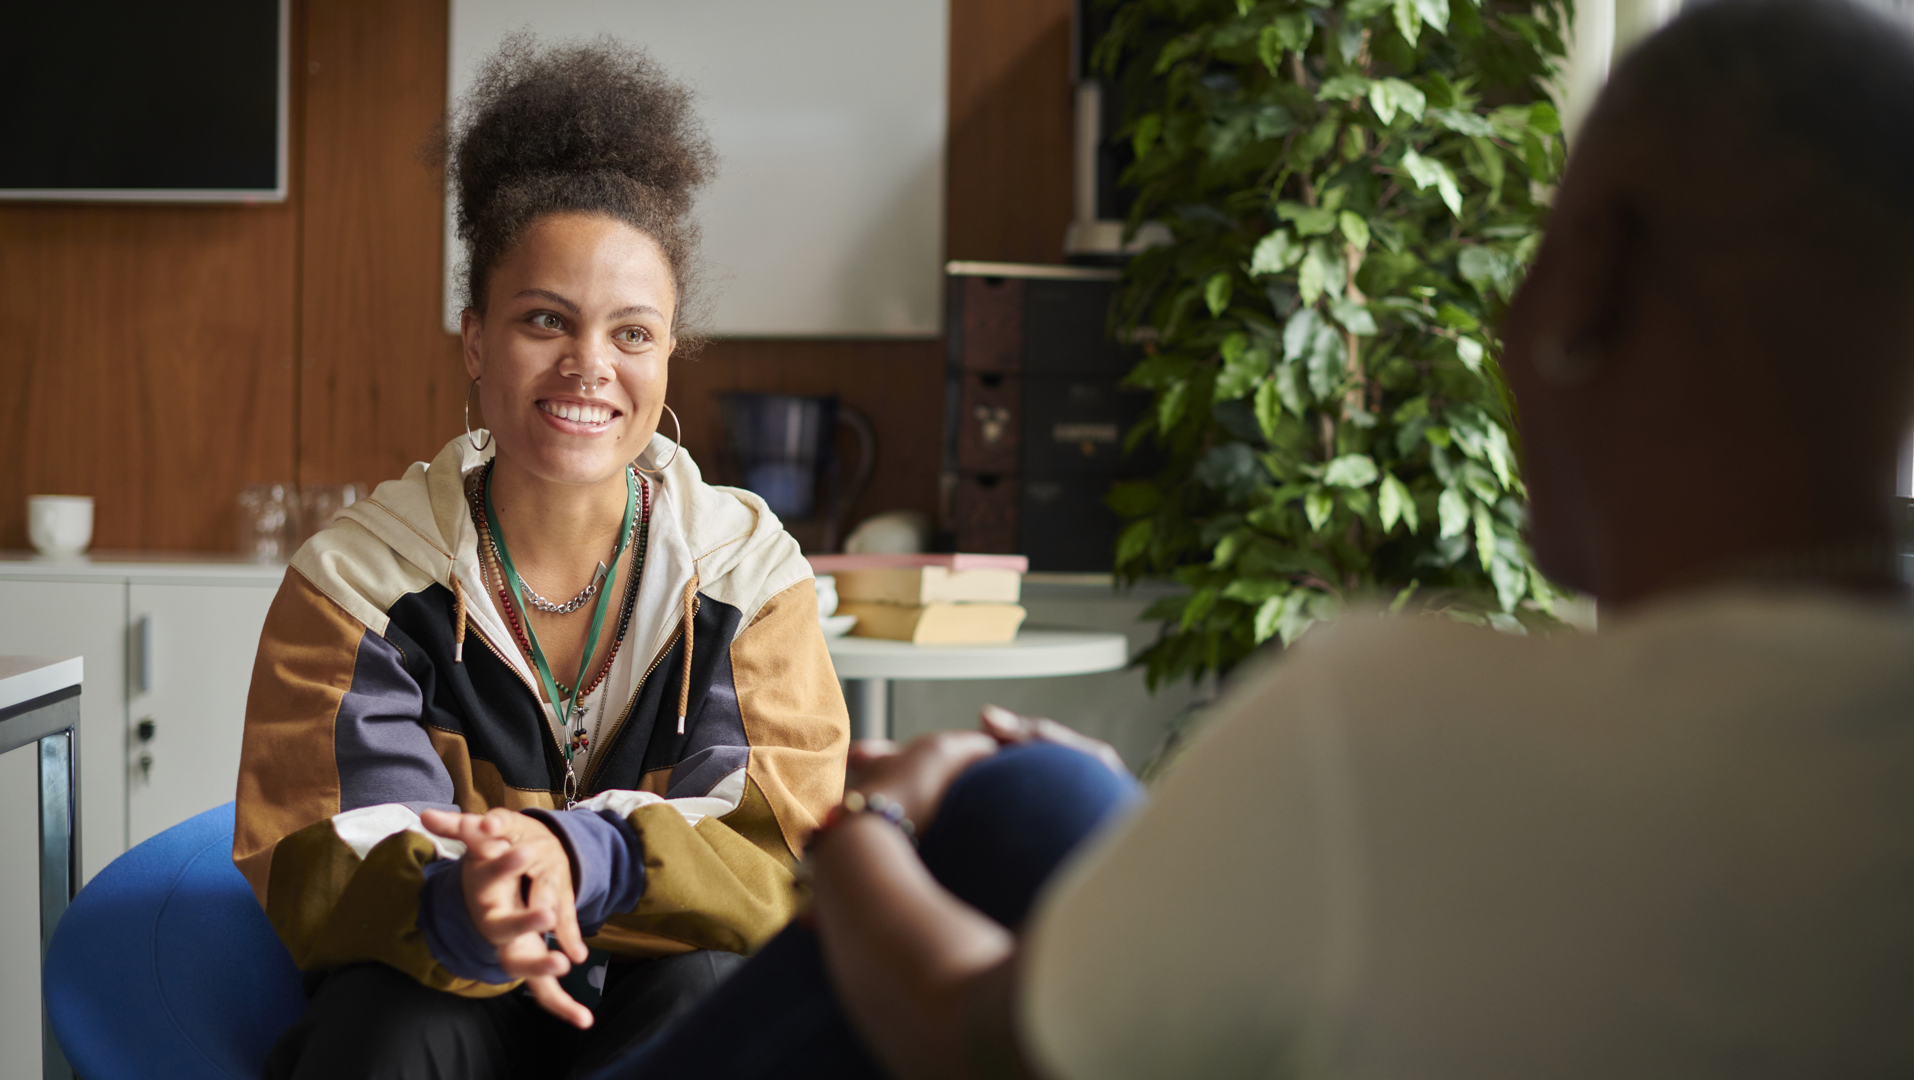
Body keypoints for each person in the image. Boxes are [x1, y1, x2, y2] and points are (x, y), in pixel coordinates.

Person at [585, 0, 1914, 1075]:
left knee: (1004, 800)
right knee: (1056, 799)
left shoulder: (1396, 724)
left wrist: (865, 819)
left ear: (1589, 279)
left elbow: (962, 1034)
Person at [232, 36, 850, 1080]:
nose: (588, 368)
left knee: (713, 989)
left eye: (633, 335)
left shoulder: (751, 575)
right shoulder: (356, 583)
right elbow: (316, 851)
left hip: (658, 970)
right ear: (475, 340)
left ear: (668, 355)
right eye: (543, 321)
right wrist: (468, 898)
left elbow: (779, 850)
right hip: (445, 970)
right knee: (387, 1025)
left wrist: (581, 855)